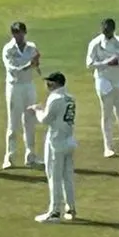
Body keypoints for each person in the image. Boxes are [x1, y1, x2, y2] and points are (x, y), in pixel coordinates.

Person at [85, 16, 119, 156]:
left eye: (109, 30)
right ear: (101, 29)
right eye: (105, 30)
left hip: (118, 80)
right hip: (103, 81)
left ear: (114, 30)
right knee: (107, 113)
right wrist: (106, 63)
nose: (107, 33)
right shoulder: (95, 43)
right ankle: (108, 147)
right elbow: (89, 64)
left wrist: (117, 63)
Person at [35, 72, 77, 223]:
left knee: (54, 177)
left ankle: (54, 212)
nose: (47, 85)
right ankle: (71, 208)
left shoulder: (55, 98)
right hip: (69, 140)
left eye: (50, 82)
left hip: (56, 141)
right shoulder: (70, 98)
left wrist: (38, 110)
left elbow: (45, 119)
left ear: (56, 83)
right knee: (67, 177)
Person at [0, 21, 43, 169]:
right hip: (14, 87)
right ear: (13, 34)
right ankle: (9, 157)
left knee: (30, 121)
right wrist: (29, 65)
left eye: (22, 33)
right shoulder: (8, 49)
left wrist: (36, 63)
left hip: (29, 86)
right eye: (17, 33)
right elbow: (12, 69)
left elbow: (37, 68)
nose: (20, 36)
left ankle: (31, 156)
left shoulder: (31, 47)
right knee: (13, 122)